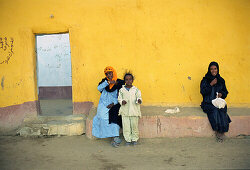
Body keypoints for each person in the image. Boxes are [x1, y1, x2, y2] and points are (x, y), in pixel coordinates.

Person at [92, 66, 124, 147]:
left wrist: (113, 103)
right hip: (104, 103)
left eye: (110, 73)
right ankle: (109, 135)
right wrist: (108, 82)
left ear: (114, 72)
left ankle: (115, 137)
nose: (109, 75)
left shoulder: (119, 82)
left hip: (115, 103)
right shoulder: (104, 81)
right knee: (101, 117)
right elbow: (99, 88)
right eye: (107, 74)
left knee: (114, 117)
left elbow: (121, 95)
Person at [200, 62, 231, 142]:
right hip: (208, 103)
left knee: (222, 109)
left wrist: (222, 94)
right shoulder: (205, 80)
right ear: (209, 70)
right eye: (211, 69)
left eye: (215, 69)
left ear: (217, 69)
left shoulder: (221, 80)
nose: (213, 70)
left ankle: (222, 131)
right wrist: (211, 84)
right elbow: (203, 91)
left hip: (218, 102)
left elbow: (225, 92)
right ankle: (218, 132)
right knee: (214, 110)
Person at [118, 73, 142, 146]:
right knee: (126, 127)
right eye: (127, 79)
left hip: (134, 111)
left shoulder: (136, 90)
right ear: (125, 81)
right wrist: (122, 101)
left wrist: (139, 100)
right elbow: (119, 99)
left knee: (134, 126)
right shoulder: (122, 90)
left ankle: (134, 139)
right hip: (125, 112)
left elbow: (139, 97)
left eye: (130, 79)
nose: (128, 81)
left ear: (133, 80)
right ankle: (128, 140)